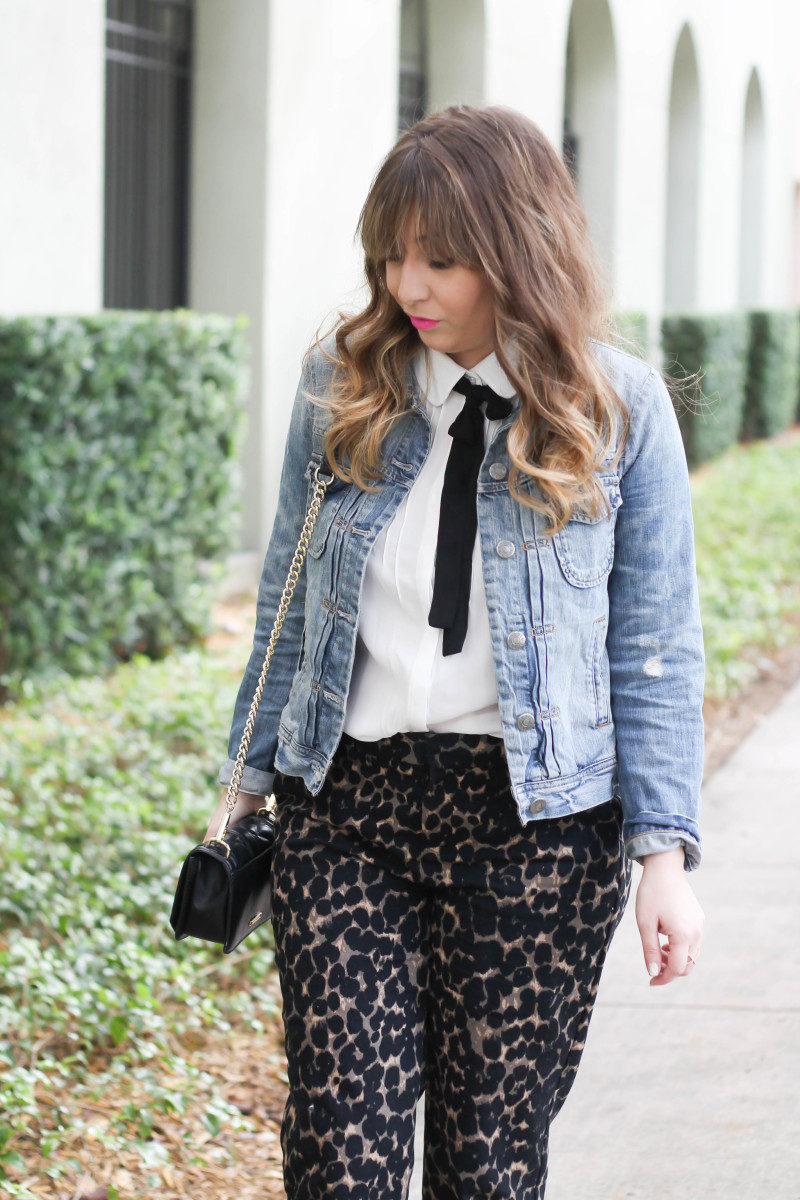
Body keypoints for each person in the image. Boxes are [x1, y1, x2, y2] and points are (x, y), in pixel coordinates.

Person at [205, 104, 706, 1199]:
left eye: (439, 257)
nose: (405, 286)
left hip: (535, 833)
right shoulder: (343, 390)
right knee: (341, 1160)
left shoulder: (614, 411)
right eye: (389, 254)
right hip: (348, 815)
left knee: (487, 1169)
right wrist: (243, 793)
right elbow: (288, 603)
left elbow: (653, 643)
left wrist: (663, 854)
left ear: (517, 248)